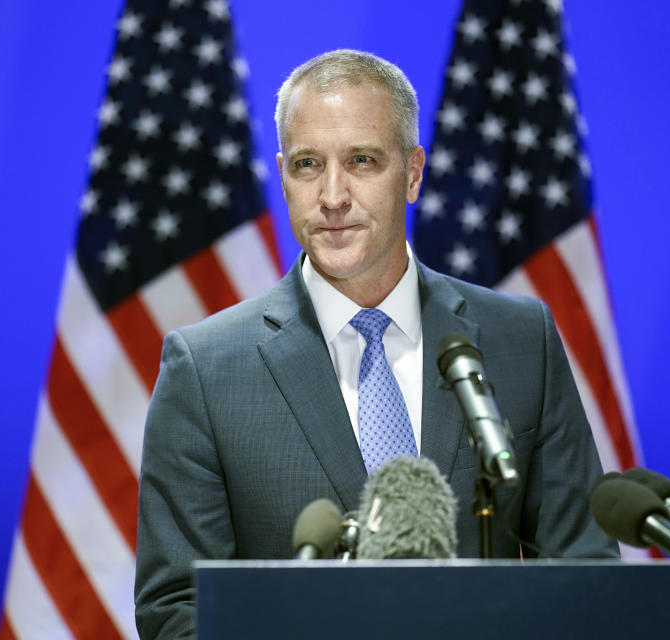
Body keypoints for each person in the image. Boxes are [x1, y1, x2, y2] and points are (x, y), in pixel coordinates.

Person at [134, 49, 617, 638]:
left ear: (412, 173)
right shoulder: (206, 371)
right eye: (308, 165)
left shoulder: (520, 341)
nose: (332, 196)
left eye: (362, 161)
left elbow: (584, 574)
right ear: (284, 175)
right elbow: (178, 611)